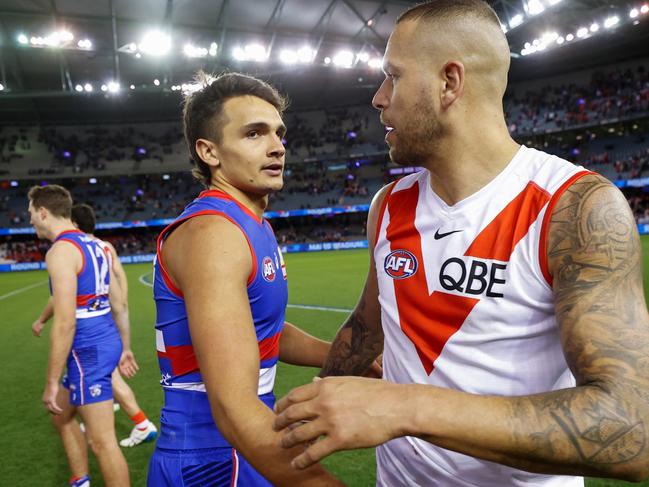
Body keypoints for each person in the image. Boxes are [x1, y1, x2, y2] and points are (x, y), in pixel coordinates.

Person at [273, 1, 649, 486]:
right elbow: (369, 325)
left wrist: (405, 405)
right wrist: (313, 404)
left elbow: (632, 430)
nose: (378, 97)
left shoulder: (574, 208)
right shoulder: (388, 205)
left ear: (450, 82)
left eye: (393, 76)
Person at [147, 71, 343, 486]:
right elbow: (234, 407)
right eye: (254, 134)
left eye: (278, 133)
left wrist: (348, 360)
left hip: (244, 439)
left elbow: (261, 330)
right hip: (216, 456)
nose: (277, 147)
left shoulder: (251, 224)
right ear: (209, 152)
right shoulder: (213, 234)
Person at [27, 185, 135, 487]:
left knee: (102, 443)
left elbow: (65, 323)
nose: (30, 220)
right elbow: (118, 303)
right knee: (61, 416)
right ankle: (80, 480)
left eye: (31, 214)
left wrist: (50, 382)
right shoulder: (96, 245)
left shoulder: (61, 251)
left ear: (44, 212)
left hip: (87, 351)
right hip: (105, 340)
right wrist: (124, 346)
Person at [31, 203, 158, 448]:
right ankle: (111, 418)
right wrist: (122, 302)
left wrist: (42, 319)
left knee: (106, 379)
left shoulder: (70, 250)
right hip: (106, 319)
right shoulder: (103, 247)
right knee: (105, 377)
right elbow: (119, 277)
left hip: (90, 326)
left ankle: (140, 423)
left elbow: (59, 299)